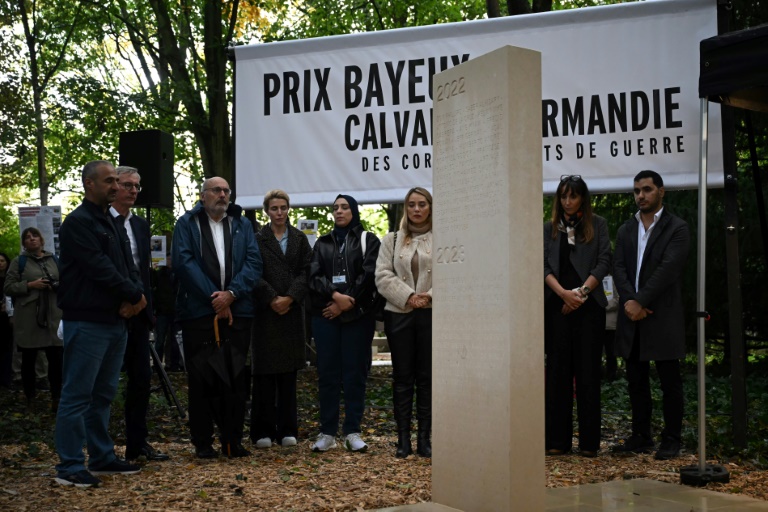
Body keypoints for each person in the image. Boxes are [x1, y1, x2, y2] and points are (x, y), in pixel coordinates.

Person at [55, 160, 148, 488]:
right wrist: (134, 294)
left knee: (104, 394)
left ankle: (101, 456)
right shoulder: (77, 223)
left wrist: (134, 297)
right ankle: (68, 465)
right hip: (87, 321)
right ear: (88, 184)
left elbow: (129, 265)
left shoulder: (112, 222)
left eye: (115, 181)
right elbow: (100, 268)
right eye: (108, 181)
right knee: (77, 394)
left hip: (115, 321)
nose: (114, 186)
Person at [172, 177, 262, 459]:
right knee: (202, 378)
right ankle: (203, 443)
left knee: (234, 378)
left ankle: (232, 441)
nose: (222, 195)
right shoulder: (187, 224)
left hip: (237, 311)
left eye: (226, 191)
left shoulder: (242, 224)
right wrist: (215, 298)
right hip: (200, 314)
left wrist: (232, 293)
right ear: (203, 196)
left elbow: (253, 262)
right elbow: (183, 263)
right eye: (216, 190)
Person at [612, 170, 690, 461]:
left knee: (670, 381)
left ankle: (671, 440)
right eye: (636, 190)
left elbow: (669, 269)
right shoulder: (625, 229)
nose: (640, 195)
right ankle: (641, 436)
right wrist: (631, 302)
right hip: (633, 317)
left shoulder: (677, 228)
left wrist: (639, 300)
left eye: (646, 189)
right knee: (636, 380)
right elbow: (618, 266)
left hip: (662, 314)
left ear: (661, 191)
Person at [543, 175, 611, 458]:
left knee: (587, 373)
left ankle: (589, 443)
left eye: (573, 196)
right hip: (557, 307)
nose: (568, 201)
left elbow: (605, 260)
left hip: (588, 308)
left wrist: (581, 294)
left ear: (583, 198)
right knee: (558, 373)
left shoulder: (598, 225)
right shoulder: (549, 229)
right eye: (563, 196)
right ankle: (557, 441)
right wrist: (563, 294)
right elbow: (541, 265)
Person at [308, 194, 380, 453]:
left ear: (354, 211)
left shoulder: (368, 240)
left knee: (354, 374)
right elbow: (314, 276)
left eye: (344, 207)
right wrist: (336, 297)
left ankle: (352, 431)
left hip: (358, 317)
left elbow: (369, 274)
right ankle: (327, 432)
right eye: (335, 208)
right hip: (326, 315)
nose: (339, 211)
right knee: (327, 373)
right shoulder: (322, 243)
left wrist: (347, 301)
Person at [110, 166, 169, 462]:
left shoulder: (141, 226)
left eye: (137, 186)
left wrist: (145, 305)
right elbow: (105, 270)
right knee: (103, 384)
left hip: (139, 313)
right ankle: (101, 449)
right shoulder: (101, 222)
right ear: (113, 186)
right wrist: (126, 300)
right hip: (110, 314)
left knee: (141, 381)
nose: (133, 190)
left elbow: (143, 272)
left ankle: (137, 444)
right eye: (127, 185)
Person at [250, 190, 312, 449]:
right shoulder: (257, 238)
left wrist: (290, 297)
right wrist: (272, 297)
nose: (279, 212)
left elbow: (308, 270)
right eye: (274, 208)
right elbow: (251, 270)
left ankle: (288, 429)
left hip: (291, 313)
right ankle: (262, 431)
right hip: (266, 313)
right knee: (264, 376)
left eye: (283, 207)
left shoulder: (299, 238)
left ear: (289, 209)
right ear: (266, 211)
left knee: (288, 376)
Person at [375, 187, 433, 458]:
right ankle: (403, 440)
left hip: (432, 313)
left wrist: (428, 297)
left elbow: (453, 274)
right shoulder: (392, 239)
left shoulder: (443, 239)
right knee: (402, 378)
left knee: (427, 378)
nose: (417, 209)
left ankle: (424, 440)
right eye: (412, 204)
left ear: (430, 207)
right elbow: (382, 276)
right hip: (399, 315)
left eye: (422, 204)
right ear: (406, 208)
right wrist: (409, 297)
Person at [3, 228, 63, 410]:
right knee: (28, 360)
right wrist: (30, 285)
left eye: (34, 236)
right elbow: (8, 287)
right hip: (29, 318)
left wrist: (56, 286)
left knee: (56, 361)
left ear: (41, 240)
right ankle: (31, 398)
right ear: (24, 243)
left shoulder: (54, 260)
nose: (31, 239)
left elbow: (67, 281)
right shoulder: (18, 262)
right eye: (27, 238)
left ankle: (57, 398)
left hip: (53, 317)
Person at [151, 255, 183, 371]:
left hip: (175, 312)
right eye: (168, 258)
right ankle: (157, 365)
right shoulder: (159, 274)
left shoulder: (178, 274)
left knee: (174, 341)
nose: (170, 261)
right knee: (160, 340)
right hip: (162, 312)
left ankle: (174, 365)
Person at [0, 252, 13, 390]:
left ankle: (6, 378)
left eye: (2, 260)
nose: (0, 263)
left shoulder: (10, 279)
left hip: (7, 318)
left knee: (7, 348)